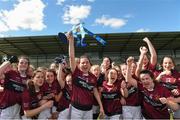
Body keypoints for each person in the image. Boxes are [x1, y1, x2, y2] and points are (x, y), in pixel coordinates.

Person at [67, 32, 104, 119]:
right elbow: (71, 57)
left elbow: (95, 91)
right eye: (83, 62)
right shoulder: (76, 72)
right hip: (76, 109)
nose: (85, 64)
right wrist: (71, 41)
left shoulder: (93, 77)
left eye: (87, 62)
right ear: (79, 64)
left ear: (90, 64)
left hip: (89, 110)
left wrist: (101, 106)